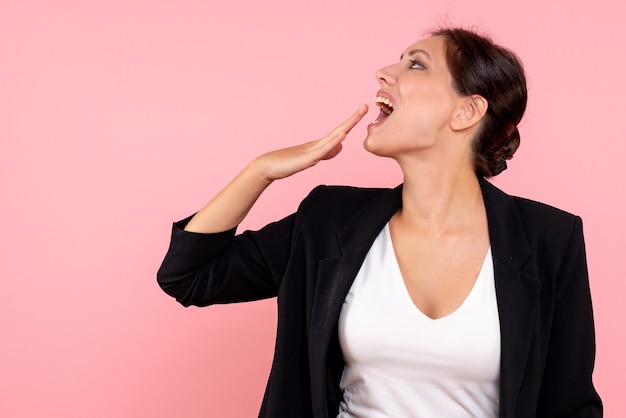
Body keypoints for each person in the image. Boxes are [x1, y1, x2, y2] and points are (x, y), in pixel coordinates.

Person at [157, 27, 602, 417]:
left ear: (466, 112)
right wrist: (261, 170)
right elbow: (189, 275)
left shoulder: (551, 240)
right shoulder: (327, 222)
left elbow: (571, 406)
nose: (384, 72)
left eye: (416, 65)